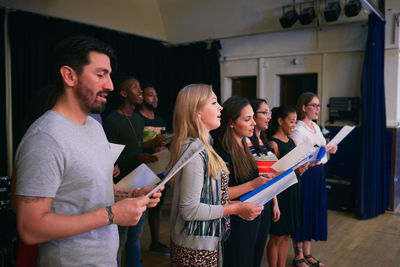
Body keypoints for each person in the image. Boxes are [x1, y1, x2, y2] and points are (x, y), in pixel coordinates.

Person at [14, 35, 162, 267]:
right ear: (69, 75)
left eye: (110, 75)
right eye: (100, 75)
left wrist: (133, 195)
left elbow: (95, 191)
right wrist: (112, 215)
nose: (110, 85)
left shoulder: (94, 127)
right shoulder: (45, 137)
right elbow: (30, 228)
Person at [169, 85, 263, 267]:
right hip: (195, 248)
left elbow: (211, 196)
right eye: (214, 103)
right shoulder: (195, 151)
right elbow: (190, 210)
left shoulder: (204, 146)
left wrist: (235, 204)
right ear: (196, 112)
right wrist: (235, 209)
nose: (220, 107)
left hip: (207, 242)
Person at [103, 77, 158, 267]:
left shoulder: (137, 119)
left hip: (139, 184)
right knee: (120, 239)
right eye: (135, 88)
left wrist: (148, 154)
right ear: (123, 93)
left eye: (141, 87)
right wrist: (137, 158)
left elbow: (137, 148)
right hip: (121, 188)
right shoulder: (112, 120)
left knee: (135, 236)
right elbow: (109, 159)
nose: (140, 91)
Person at [213, 96, 271, 267]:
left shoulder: (245, 146)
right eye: (247, 119)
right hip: (236, 221)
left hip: (253, 214)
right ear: (231, 122)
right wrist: (254, 184)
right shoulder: (222, 153)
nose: (253, 123)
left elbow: (252, 178)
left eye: (253, 117)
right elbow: (220, 193)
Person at [290, 92, 337, 267]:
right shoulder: (297, 129)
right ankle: (298, 255)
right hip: (306, 174)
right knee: (303, 212)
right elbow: (296, 157)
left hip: (318, 173)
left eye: (319, 105)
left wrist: (329, 149)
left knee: (312, 212)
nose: (318, 109)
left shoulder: (316, 127)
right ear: (304, 107)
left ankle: (308, 253)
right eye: (314, 105)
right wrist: (316, 154)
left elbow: (321, 149)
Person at [266, 106, 306, 267]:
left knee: (286, 235)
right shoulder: (272, 144)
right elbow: (271, 174)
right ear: (280, 121)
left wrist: (303, 166)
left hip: (293, 190)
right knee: (276, 236)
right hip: (280, 193)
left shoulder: (293, 142)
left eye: (295, 122)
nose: (294, 125)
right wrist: (294, 169)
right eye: (291, 121)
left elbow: (296, 167)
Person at [136, 84, 169, 255]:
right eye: (150, 95)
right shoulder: (136, 119)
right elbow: (132, 147)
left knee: (157, 208)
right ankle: (132, 248)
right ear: (141, 97)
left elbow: (160, 145)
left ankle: (155, 243)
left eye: (156, 95)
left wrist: (161, 149)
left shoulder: (160, 120)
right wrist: (151, 145)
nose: (155, 98)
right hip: (139, 173)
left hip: (159, 170)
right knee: (139, 211)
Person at [248, 98, 281, 267]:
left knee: (259, 248)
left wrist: (275, 203)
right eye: (264, 112)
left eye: (270, 113)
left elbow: (270, 175)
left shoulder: (264, 142)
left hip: (267, 201)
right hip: (253, 202)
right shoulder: (246, 142)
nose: (269, 116)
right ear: (252, 116)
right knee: (251, 249)